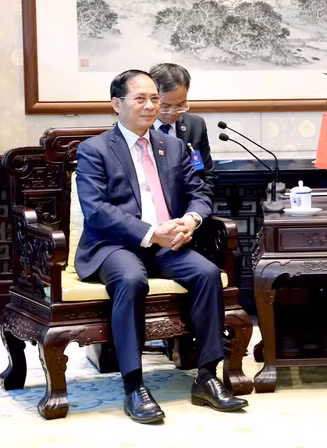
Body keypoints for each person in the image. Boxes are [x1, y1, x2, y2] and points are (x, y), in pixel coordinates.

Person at [74, 70, 247, 423]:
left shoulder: (174, 146)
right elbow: (97, 211)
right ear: (116, 104)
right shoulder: (94, 150)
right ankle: (134, 384)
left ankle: (207, 377)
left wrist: (191, 221)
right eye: (141, 99)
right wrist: (153, 232)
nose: (151, 106)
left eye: (155, 98)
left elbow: (199, 192)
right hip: (115, 245)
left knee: (207, 273)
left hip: (169, 242)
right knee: (131, 279)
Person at [149, 63, 216, 197]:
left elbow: (207, 175)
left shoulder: (196, 125)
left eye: (180, 105)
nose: (173, 112)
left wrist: (197, 209)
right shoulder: (136, 127)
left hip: (190, 207)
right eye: (165, 106)